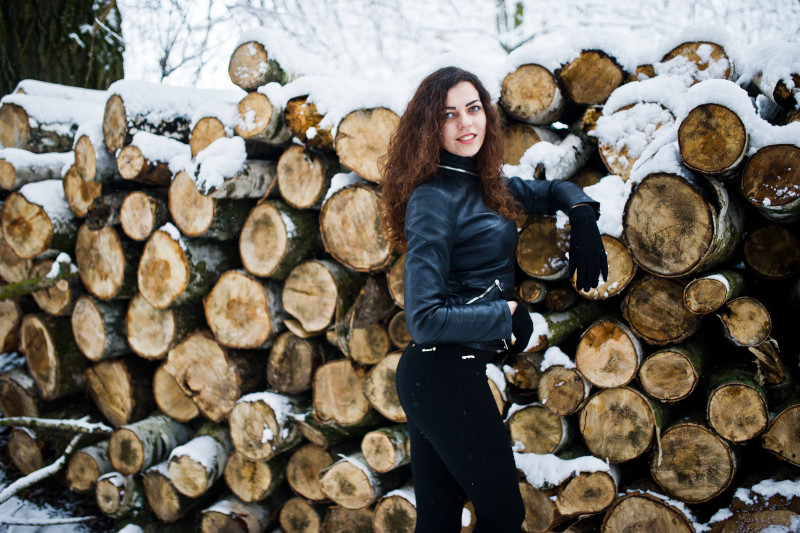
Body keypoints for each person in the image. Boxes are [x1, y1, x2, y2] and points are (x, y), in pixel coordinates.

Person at [380, 66, 608, 533]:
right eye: (448, 115)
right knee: (504, 516)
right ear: (429, 127)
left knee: (439, 523)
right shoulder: (432, 199)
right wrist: (503, 315)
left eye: (473, 108)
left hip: (442, 373)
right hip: (440, 372)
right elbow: (423, 319)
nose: (466, 123)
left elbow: (549, 191)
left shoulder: (487, 183)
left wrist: (582, 216)